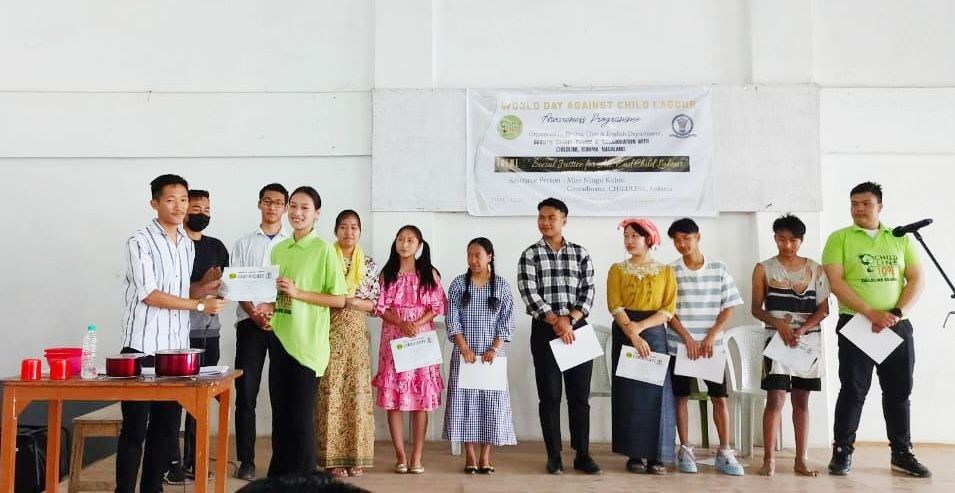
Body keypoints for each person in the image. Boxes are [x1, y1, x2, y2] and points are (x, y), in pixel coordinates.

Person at [117, 174, 227, 493]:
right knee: (135, 429)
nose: (179, 207)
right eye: (171, 200)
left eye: (183, 199)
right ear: (155, 203)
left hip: (176, 352)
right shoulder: (139, 241)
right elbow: (149, 293)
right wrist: (198, 305)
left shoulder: (185, 245)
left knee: (166, 430)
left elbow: (181, 290)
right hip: (141, 348)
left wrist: (207, 292)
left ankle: (153, 488)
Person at [822, 181, 930, 477]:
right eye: (854, 203)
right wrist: (870, 312)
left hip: (896, 325)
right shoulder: (839, 238)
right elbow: (836, 282)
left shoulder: (900, 239)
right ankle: (842, 450)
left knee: (898, 392)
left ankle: (901, 452)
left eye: (865, 203)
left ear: (880, 206)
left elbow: (917, 278)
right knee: (853, 390)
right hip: (856, 323)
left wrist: (896, 314)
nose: (858, 209)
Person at [258, 186, 347, 478]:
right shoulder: (279, 249)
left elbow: (338, 299)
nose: (296, 213)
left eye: (304, 208)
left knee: (300, 422)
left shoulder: (324, 250)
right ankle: (280, 479)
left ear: (317, 214)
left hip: (307, 348)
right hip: (280, 340)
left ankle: (307, 480)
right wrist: (267, 306)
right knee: (280, 420)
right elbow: (278, 293)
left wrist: (299, 293)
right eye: (293, 206)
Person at [517, 197, 600, 475]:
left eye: (551, 217)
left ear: (564, 219)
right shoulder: (530, 255)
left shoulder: (580, 253)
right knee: (550, 396)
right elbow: (529, 293)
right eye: (541, 217)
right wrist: (555, 321)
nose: (545, 222)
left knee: (579, 397)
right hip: (545, 330)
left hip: (578, 330)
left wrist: (571, 320)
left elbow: (588, 292)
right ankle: (554, 455)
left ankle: (583, 454)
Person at [751, 214, 830, 477]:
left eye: (793, 240)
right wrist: (779, 324)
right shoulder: (763, 268)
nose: (787, 245)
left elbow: (824, 309)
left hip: (807, 342)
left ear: (801, 240)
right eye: (781, 239)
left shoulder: (816, 269)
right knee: (774, 399)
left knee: (802, 401)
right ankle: (769, 460)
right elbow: (756, 309)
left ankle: (801, 459)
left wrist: (803, 329)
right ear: (774, 238)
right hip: (775, 342)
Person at [666, 218, 745, 476]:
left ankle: (724, 451)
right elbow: (667, 312)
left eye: (686, 238)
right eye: (676, 240)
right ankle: (686, 449)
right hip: (681, 345)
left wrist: (711, 335)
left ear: (698, 237)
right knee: (681, 398)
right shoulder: (671, 271)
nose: (681, 244)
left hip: (712, 347)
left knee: (719, 398)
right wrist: (687, 338)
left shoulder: (719, 268)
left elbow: (729, 307)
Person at [164, 189, 230, 485]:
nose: (201, 213)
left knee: (201, 399)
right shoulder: (174, 245)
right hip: (177, 332)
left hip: (210, 332)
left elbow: (228, 285)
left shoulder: (216, 246)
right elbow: (172, 292)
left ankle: (194, 459)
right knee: (174, 400)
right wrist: (202, 286)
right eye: (196, 207)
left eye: (206, 208)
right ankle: (171, 462)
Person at [371, 225, 446, 475]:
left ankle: (417, 456)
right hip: (395, 338)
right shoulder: (387, 274)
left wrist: (417, 323)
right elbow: (380, 307)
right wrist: (402, 322)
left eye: (410, 240)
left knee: (420, 400)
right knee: (394, 400)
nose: (404, 244)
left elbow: (436, 306)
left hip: (421, 338)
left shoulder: (429, 273)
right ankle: (400, 456)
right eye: (400, 239)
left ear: (419, 245)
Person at [607, 218, 677, 474]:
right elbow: (615, 305)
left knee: (657, 394)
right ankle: (634, 454)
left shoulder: (666, 272)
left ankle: (657, 456)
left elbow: (668, 309)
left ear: (649, 239)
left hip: (655, 332)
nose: (629, 241)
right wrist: (633, 334)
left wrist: (642, 328)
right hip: (626, 331)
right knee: (630, 395)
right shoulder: (617, 270)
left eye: (634, 236)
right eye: (626, 236)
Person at [230, 183, 291, 480]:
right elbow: (235, 283)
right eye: (267, 201)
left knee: (282, 395)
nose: (272, 207)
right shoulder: (243, 243)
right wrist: (254, 313)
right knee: (246, 394)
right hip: (249, 324)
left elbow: (293, 286)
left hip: (282, 324)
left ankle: (281, 462)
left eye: (278, 203)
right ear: (259, 204)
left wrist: (272, 310)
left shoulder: (291, 244)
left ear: (285, 207)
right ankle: (247, 462)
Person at [443, 237, 517, 474]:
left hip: (491, 357)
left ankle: (486, 456)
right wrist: (464, 348)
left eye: (478, 255)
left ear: (489, 257)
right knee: (464, 403)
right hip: (465, 356)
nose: (473, 260)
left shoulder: (502, 287)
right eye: (470, 255)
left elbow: (507, 323)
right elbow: (452, 319)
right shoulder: (457, 285)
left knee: (491, 405)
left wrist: (494, 348)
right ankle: (470, 456)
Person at [316, 210, 379, 477]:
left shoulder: (369, 264)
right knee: (331, 394)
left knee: (358, 396)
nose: (349, 232)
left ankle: (356, 458)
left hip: (355, 335)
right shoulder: (323, 258)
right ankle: (332, 459)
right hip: (327, 332)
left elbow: (374, 304)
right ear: (335, 231)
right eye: (343, 227)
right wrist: (340, 302)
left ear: (360, 232)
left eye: (354, 227)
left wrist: (348, 301)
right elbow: (317, 295)